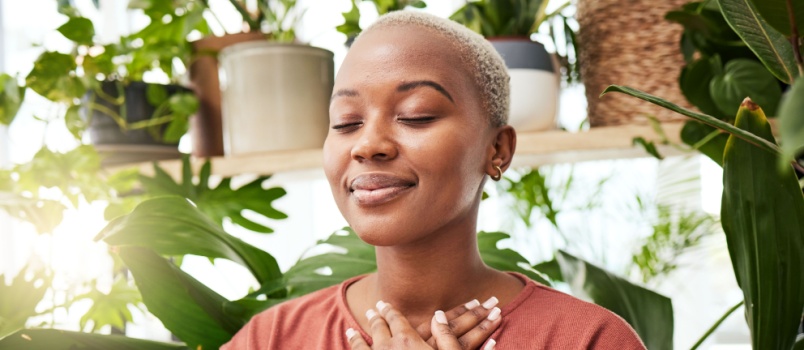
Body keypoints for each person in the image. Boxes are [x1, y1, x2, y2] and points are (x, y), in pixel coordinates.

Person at [223, 11, 646, 350]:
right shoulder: (271, 339)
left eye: (416, 115)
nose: (368, 144)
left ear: (497, 150)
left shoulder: (588, 340)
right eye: (346, 122)